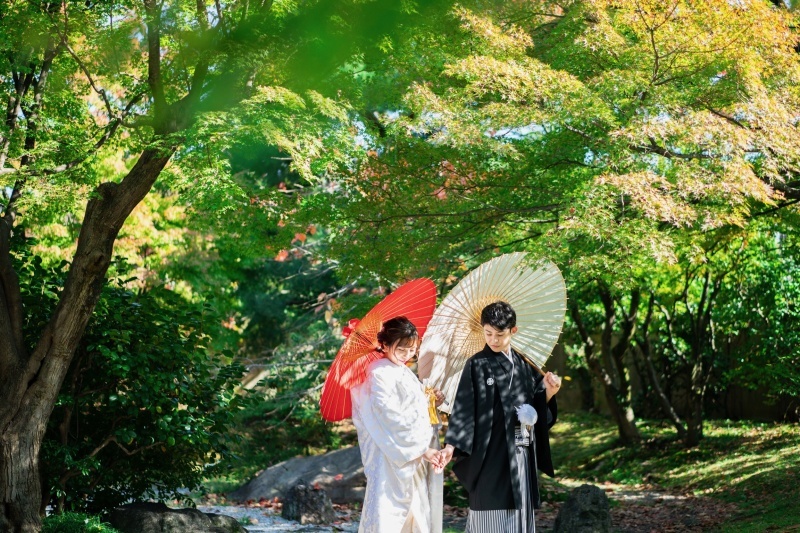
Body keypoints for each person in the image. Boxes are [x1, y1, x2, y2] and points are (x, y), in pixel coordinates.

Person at [439, 301, 561, 532]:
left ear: (513, 330)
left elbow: (536, 412)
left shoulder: (525, 364)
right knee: (489, 508)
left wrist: (549, 392)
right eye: (488, 333)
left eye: (500, 334)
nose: (493, 340)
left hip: (521, 448)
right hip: (490, 453)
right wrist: (451, 447)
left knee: (520, 510)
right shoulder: (476, 364)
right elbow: (464, 410)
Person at [350, 316, 445, 533]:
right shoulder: (378, 372)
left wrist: (431, 401)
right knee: (389, 516)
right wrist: (423, 449)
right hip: (391, 456)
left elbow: (414, 407)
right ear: (383, 344)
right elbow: (390, 416)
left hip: (408, 454)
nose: (408, 355)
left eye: (412, 350)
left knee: (416, 513)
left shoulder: (401, 371)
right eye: (402, 349)